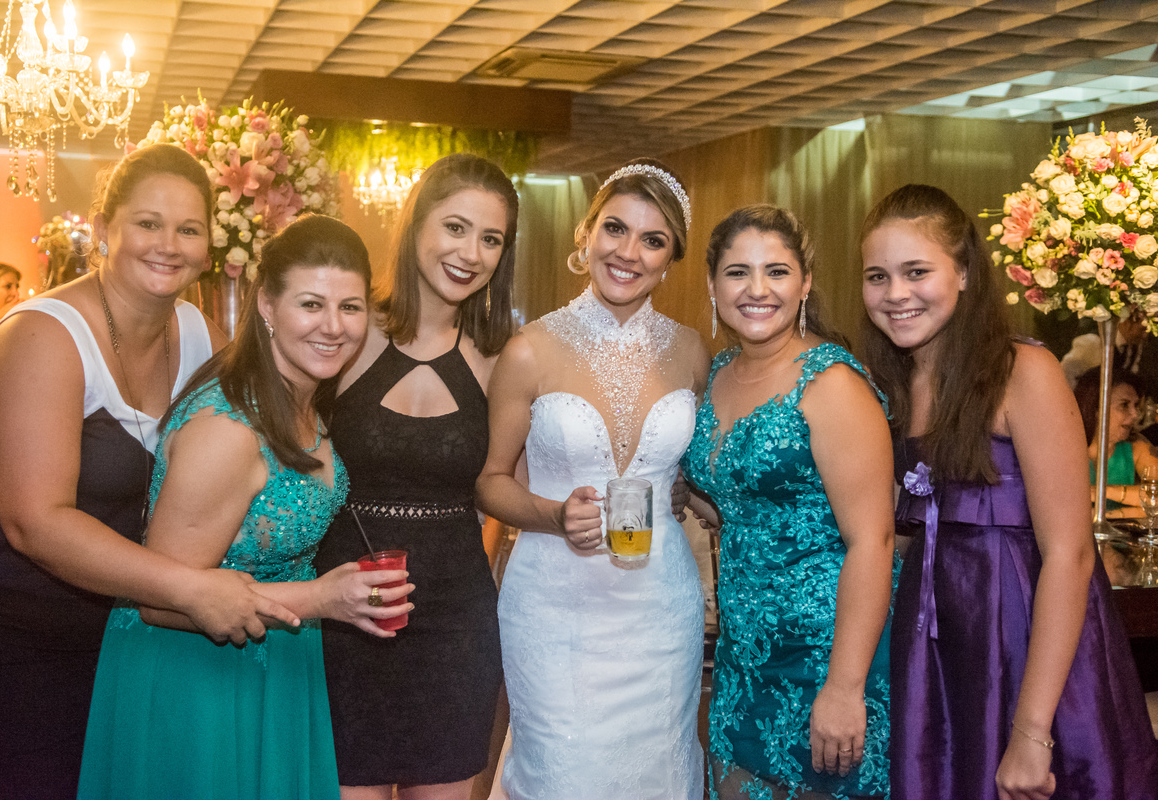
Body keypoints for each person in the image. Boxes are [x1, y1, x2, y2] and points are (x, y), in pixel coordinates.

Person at [0, 143, 301, 799]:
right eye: (148, 223)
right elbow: (35, 522)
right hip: (9, 640)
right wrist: (191, 589)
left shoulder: (198, 333)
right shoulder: (43, 334)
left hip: (127, 639)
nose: (168, 245)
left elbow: (258, 445)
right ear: (103, 228)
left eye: (188, 229)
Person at [77, 214, 412, 798]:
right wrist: (323, 598)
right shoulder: (228, 430)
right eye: (312, 305)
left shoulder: (298, 397)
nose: (334, 326)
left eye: (350, 307)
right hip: (197, 682)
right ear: (267, 306)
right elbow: (161, 601)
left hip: (273, 663)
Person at [860, 183, 1158, 799]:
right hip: (938, 636)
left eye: (917, 272)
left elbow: (1071, 554)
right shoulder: (892, 379)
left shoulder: (1023, 370)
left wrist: (1031, 732)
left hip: (1028, 632)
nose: (895, 294)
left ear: (965, 272)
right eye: (877, 277)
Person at [476, 157, 710, 799]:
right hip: (556, 607)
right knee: (563, 773)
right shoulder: (528, 350)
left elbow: (698, 466)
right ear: (586, 234)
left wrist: (689, 491)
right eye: (615, 228)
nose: (628, 252)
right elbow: (491, 481)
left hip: (661, 607)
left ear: (670, 260)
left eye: (653, 240)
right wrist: (552, 515)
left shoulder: (692, 350)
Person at [314, 153, 517, 800]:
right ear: (416, 224)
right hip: (345, 614)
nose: (471, 253)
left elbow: (511, 483)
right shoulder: (347, 333)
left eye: (491, 239)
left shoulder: (499, 361)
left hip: (456, 627)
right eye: (455, 227)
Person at [681, 205, 895, 799]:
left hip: (826, 657)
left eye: (776, 271)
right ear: (712, 286)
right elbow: (746, 506)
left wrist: (844, 688)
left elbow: (873, 540)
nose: (757, 289)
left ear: (805, 284)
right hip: (742, 656)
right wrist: (688, 493)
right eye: (737, 272)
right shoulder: (717, 374)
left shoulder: (832, 385)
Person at [1074, 367, 1158, 517]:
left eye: (1135, 405)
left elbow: (1155, 494)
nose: (1135, 414)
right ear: (1095, 408)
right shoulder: (1066, 447)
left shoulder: (1137, 446)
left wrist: (1103, 492)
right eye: (1124, 405)